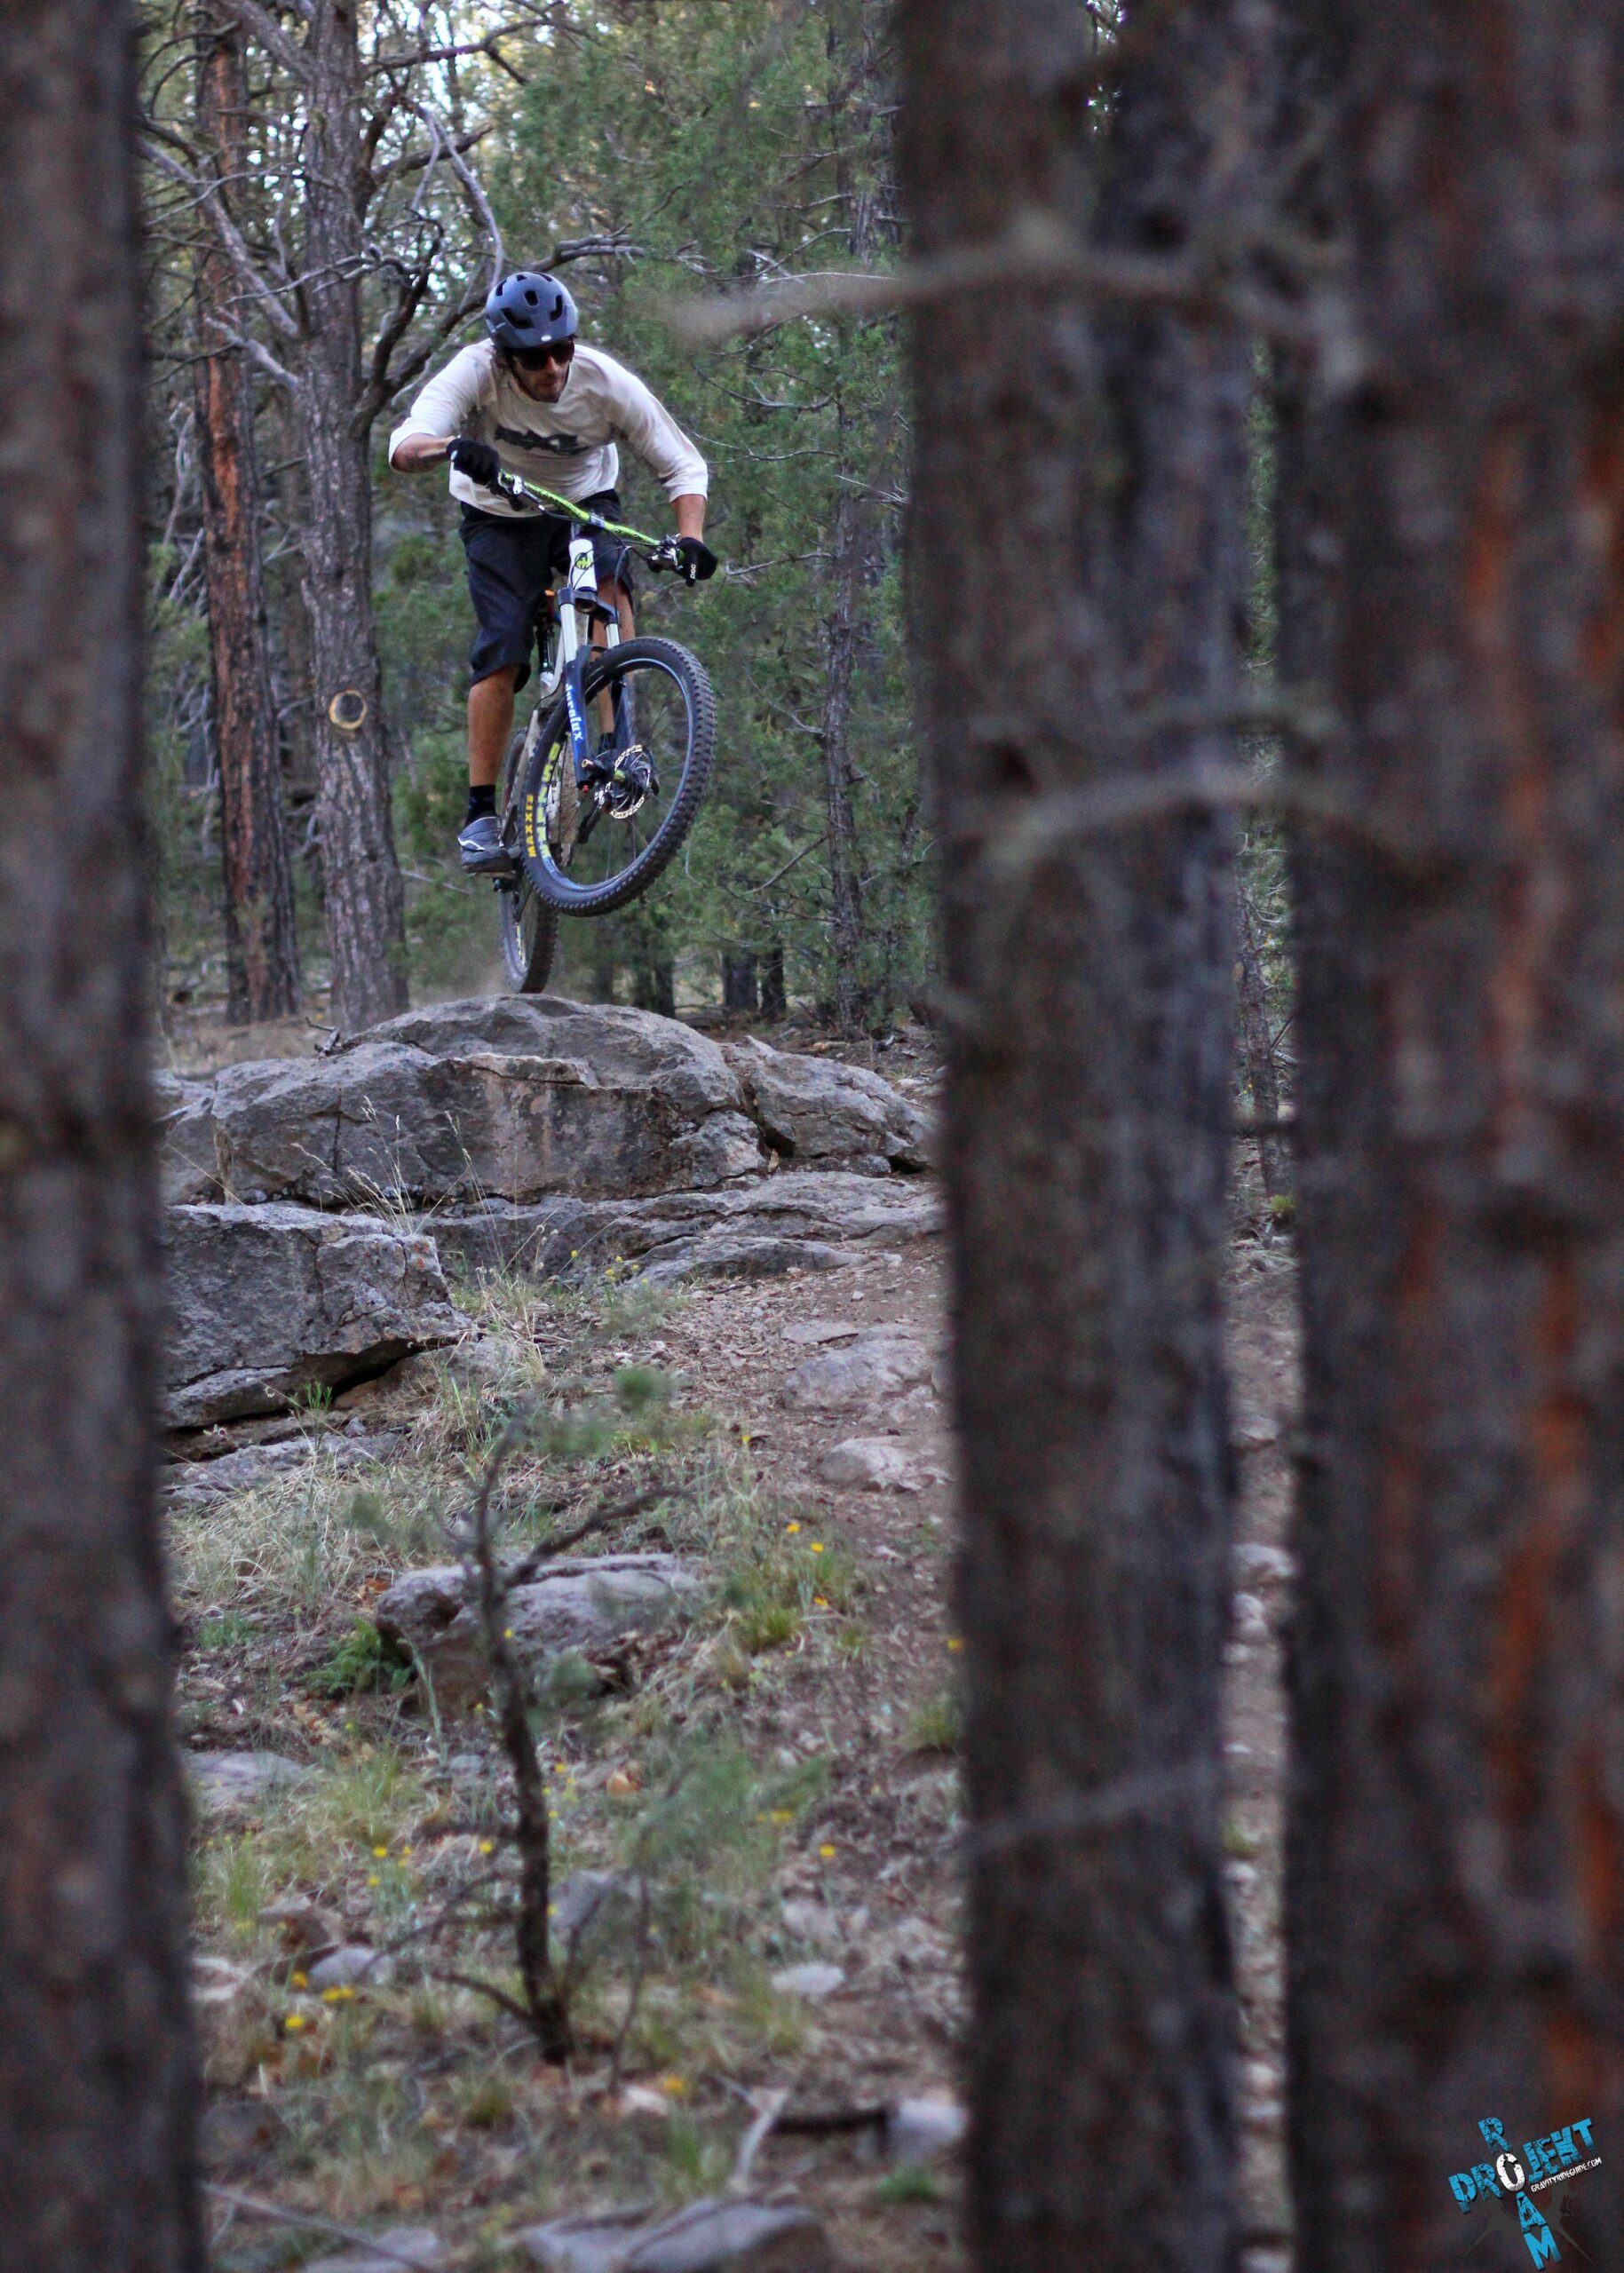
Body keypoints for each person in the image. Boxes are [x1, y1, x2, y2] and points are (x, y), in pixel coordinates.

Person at [389, 268, 717, 873]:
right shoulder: (475, 371)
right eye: (533, 358)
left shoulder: (603, 383)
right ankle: (481, 815)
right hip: (497, 514)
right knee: (503, 650)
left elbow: (683, 466)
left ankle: (622, 749)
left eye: (561, 351)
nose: (551, 369)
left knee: (611, 576)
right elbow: (405, 444)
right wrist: (451, 448)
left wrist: (691, 538)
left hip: (583, 506)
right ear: (504, 357)